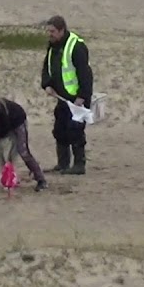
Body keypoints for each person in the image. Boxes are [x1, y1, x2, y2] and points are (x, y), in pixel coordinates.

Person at [40, 15, 93, 175]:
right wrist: (47, 84)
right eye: (49, 31)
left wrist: (82, 96)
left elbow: (85, 73)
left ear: (62, 30)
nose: (50, 34)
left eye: (53, 31)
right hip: (61, 98)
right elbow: (46, 66)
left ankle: (79, 164)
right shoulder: (53, 46)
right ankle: (62, 163)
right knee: (60, 130)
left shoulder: (76, 47)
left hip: (77, 98)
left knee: (75, 130)